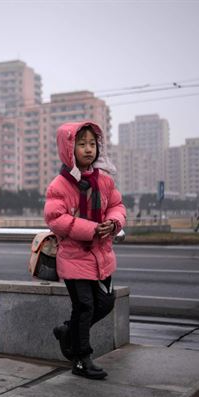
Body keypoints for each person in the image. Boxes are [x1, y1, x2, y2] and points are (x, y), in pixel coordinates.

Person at [44, 121, 126, 380]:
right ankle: (81, 358)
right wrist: (91, 229)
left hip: (101, 255)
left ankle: (68, 331)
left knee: (106, 302)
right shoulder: (59, 184)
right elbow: (55, 218)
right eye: (81, 144)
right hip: (73, 256)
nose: (88, 149)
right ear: (69, 149)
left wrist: (114, 223)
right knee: (85, 307)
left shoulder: (104, 181)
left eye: (92, 144)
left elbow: (117, 206)